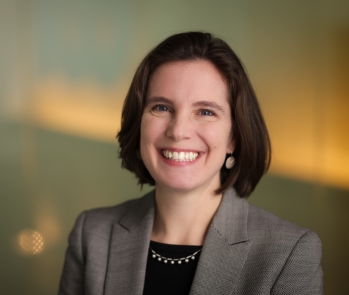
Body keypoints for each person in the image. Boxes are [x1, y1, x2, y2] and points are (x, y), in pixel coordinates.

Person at [58, 32, 323, 295]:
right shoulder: (91, 235)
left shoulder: (289, 253)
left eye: (205, 112)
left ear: (234, 137)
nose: (178, 131)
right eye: (161, 107)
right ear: (139, 124)